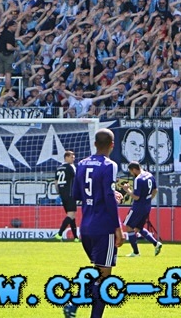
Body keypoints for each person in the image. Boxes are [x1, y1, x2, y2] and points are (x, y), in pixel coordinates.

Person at [65, 128, 124, 318]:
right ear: (112, 145)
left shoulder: (81, 164)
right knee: (104, 278)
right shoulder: (109, 165)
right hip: (104, 227)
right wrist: (118, 228)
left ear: (95, 144)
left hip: (87, 227)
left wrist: (105, 193)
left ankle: (73, 303)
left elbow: (76, 195)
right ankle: (76, 305)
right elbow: (107, 197)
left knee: (98, 272)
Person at [120, 162, 162, 256]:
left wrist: (127, 190)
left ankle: (136, 252)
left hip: (138, 207)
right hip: (147, 206)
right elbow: (155, 190)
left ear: (134, 169)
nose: (131, 174)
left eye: (131, 172)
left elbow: (136, 197)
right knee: (138, 228)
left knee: (129, 227)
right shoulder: (149, 175)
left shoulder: (138, 179)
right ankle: (156, 243)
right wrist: (148, 199)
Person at [53, 150, 77, 240]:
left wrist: (59, 192)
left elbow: (56, 182)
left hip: (63, 194)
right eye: (71, 157)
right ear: (66, 157)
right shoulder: (71, 167)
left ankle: (75, 237)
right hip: (70, 194)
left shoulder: (58, 168)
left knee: (72, 216)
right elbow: (76, 179)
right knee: (71, 215)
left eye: (74, 157)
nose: (73, 159)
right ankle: (59, 234)